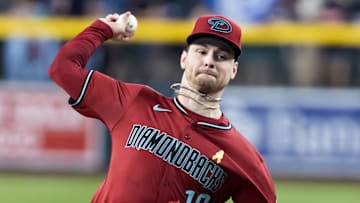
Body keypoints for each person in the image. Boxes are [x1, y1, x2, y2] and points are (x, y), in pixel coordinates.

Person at [48, 11, 276, 203]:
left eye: (222, 56)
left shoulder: (244, 158)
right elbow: (62, 69)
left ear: (233, 70)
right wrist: (103, 29)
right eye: (202, 51)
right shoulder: (134, 101)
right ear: (184, 59)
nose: (209, 61)